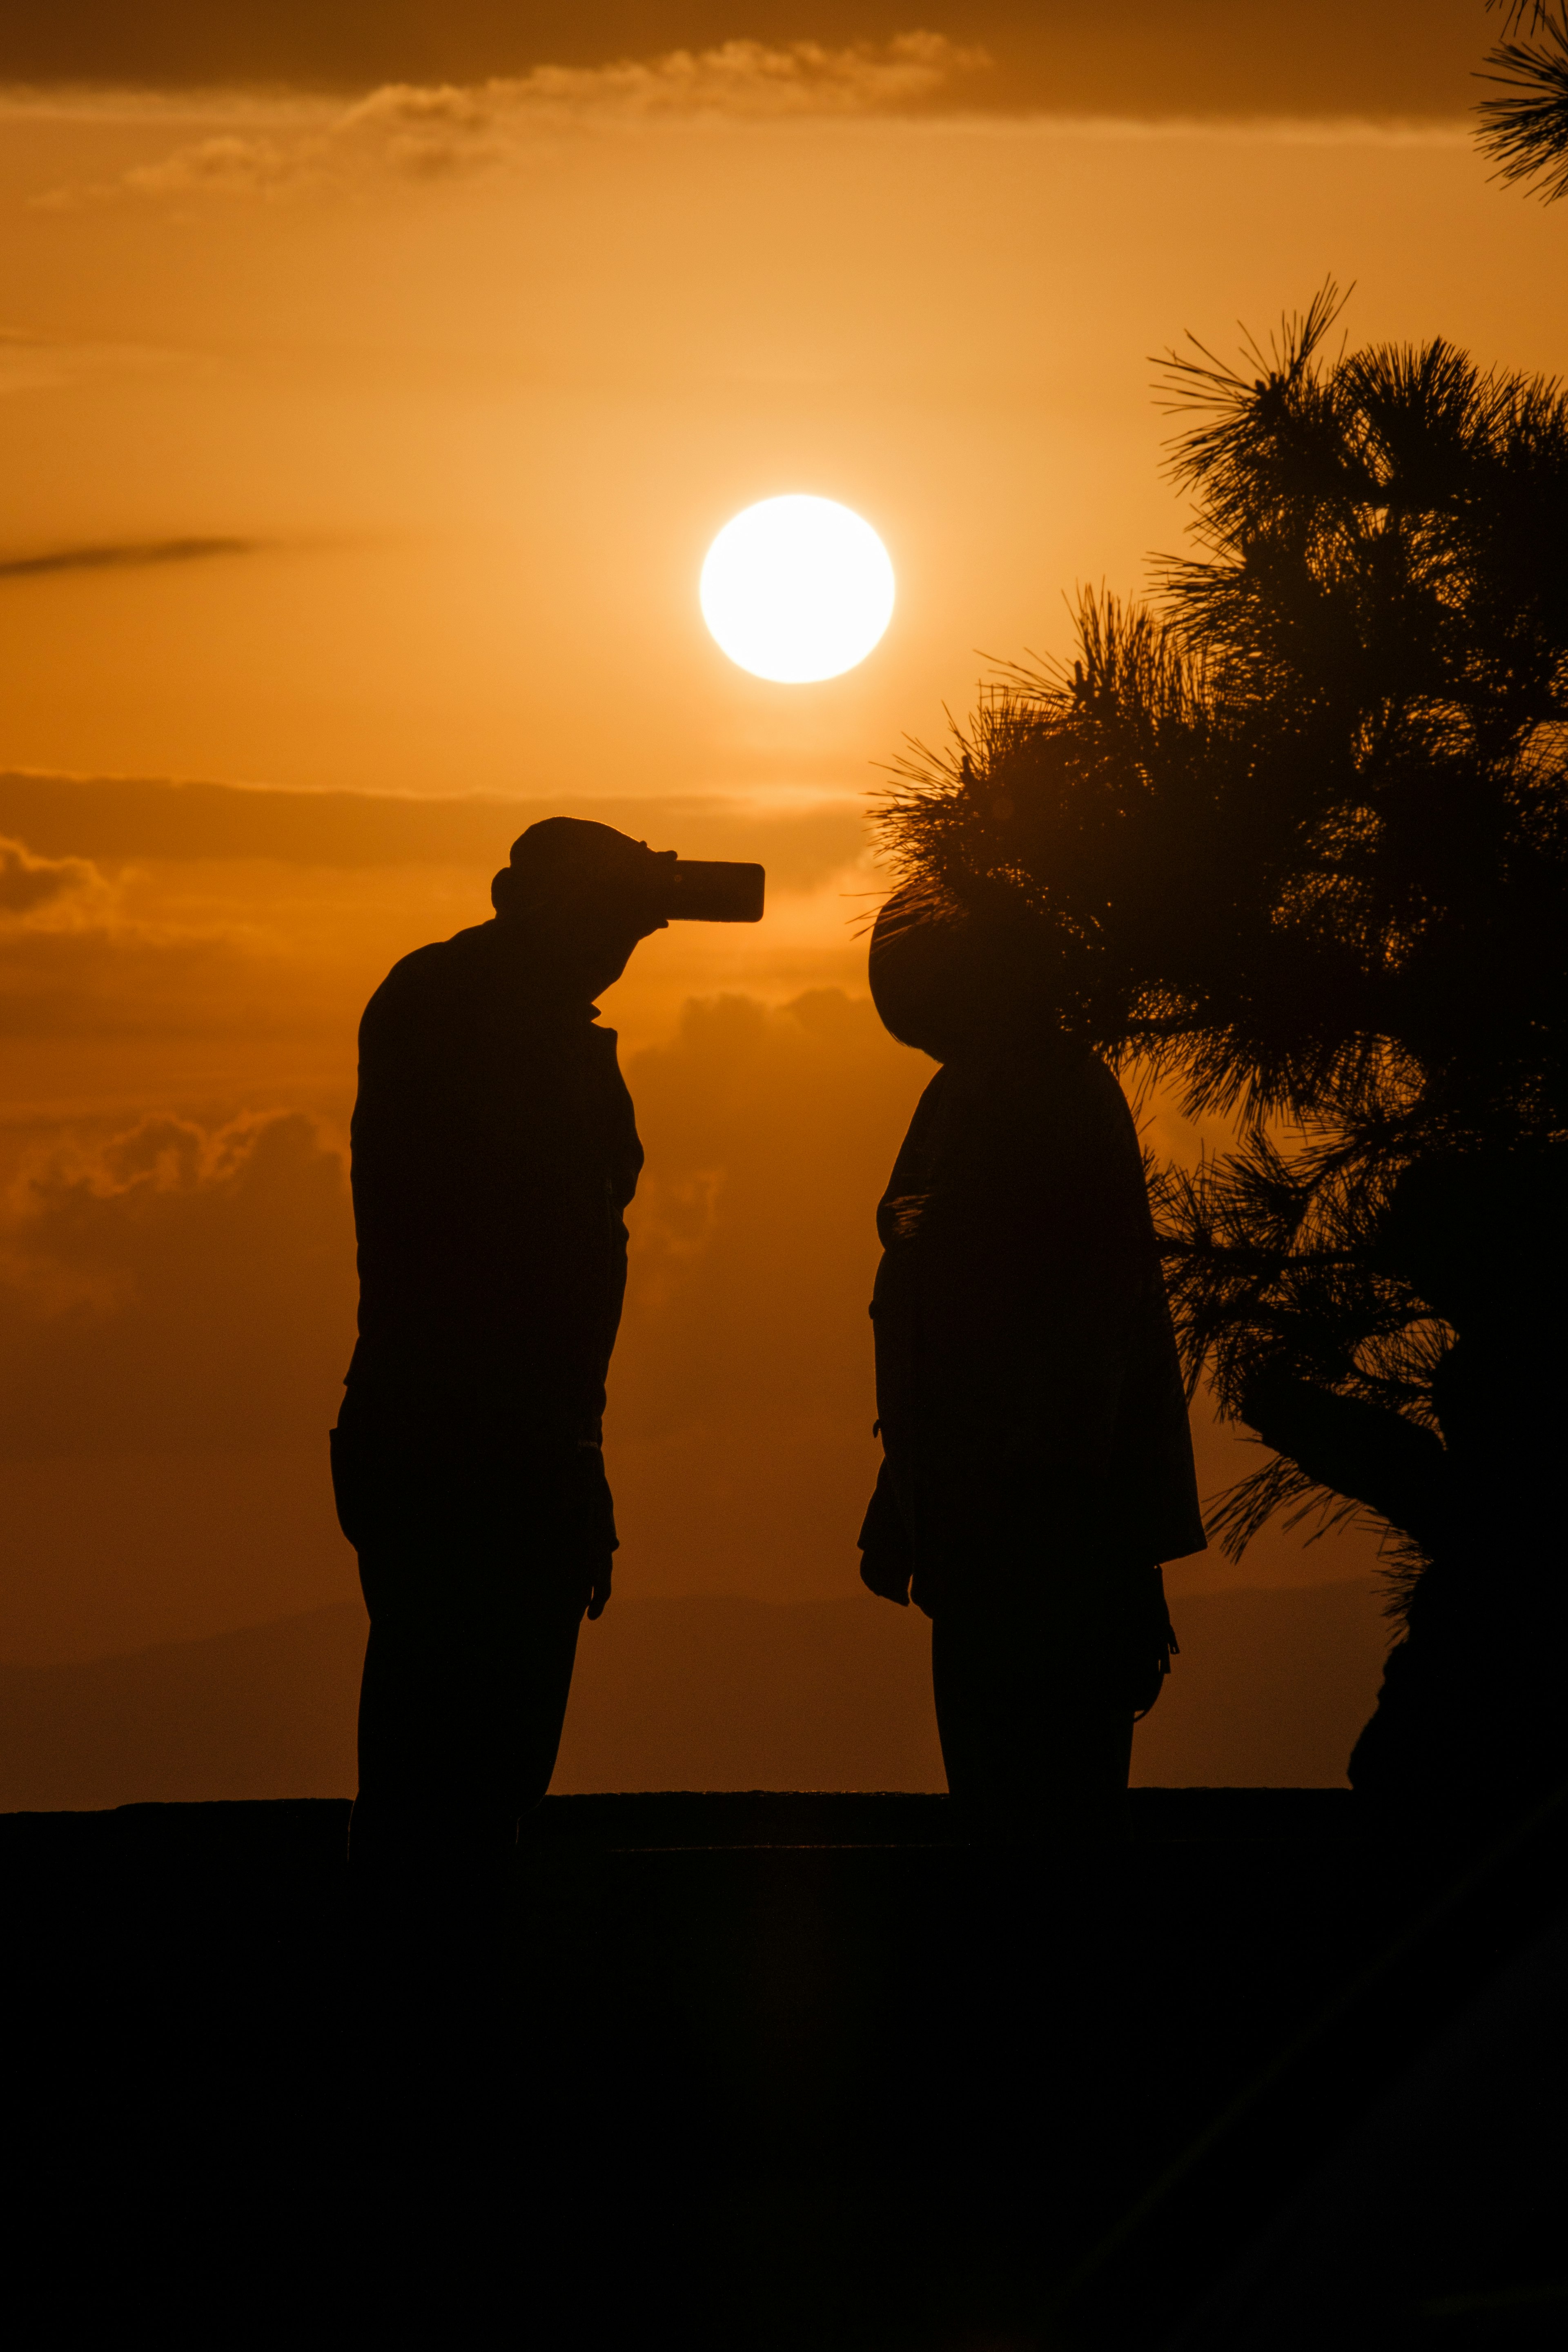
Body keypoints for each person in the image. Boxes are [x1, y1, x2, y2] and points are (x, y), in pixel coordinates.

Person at [330, 817, 677, 1888]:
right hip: (467, 1440)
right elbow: (536, 1245)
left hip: (504, 1436)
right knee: (447, 1781)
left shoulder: (502, 1013)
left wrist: (580, 1453)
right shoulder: (464, 1008)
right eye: (602, 917)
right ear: (520, 904)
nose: (619, 945)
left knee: (482, 1777)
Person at [856, 885, 1206, 1841]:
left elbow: (1091, 1331)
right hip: (983, 1522)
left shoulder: (1050, 1093)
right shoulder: (972, 1090)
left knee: (1043, 1824)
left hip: (1044, 1528)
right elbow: (934, 1315)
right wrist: (906, 1485)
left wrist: (1077, 1523)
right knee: (1002, 1811)